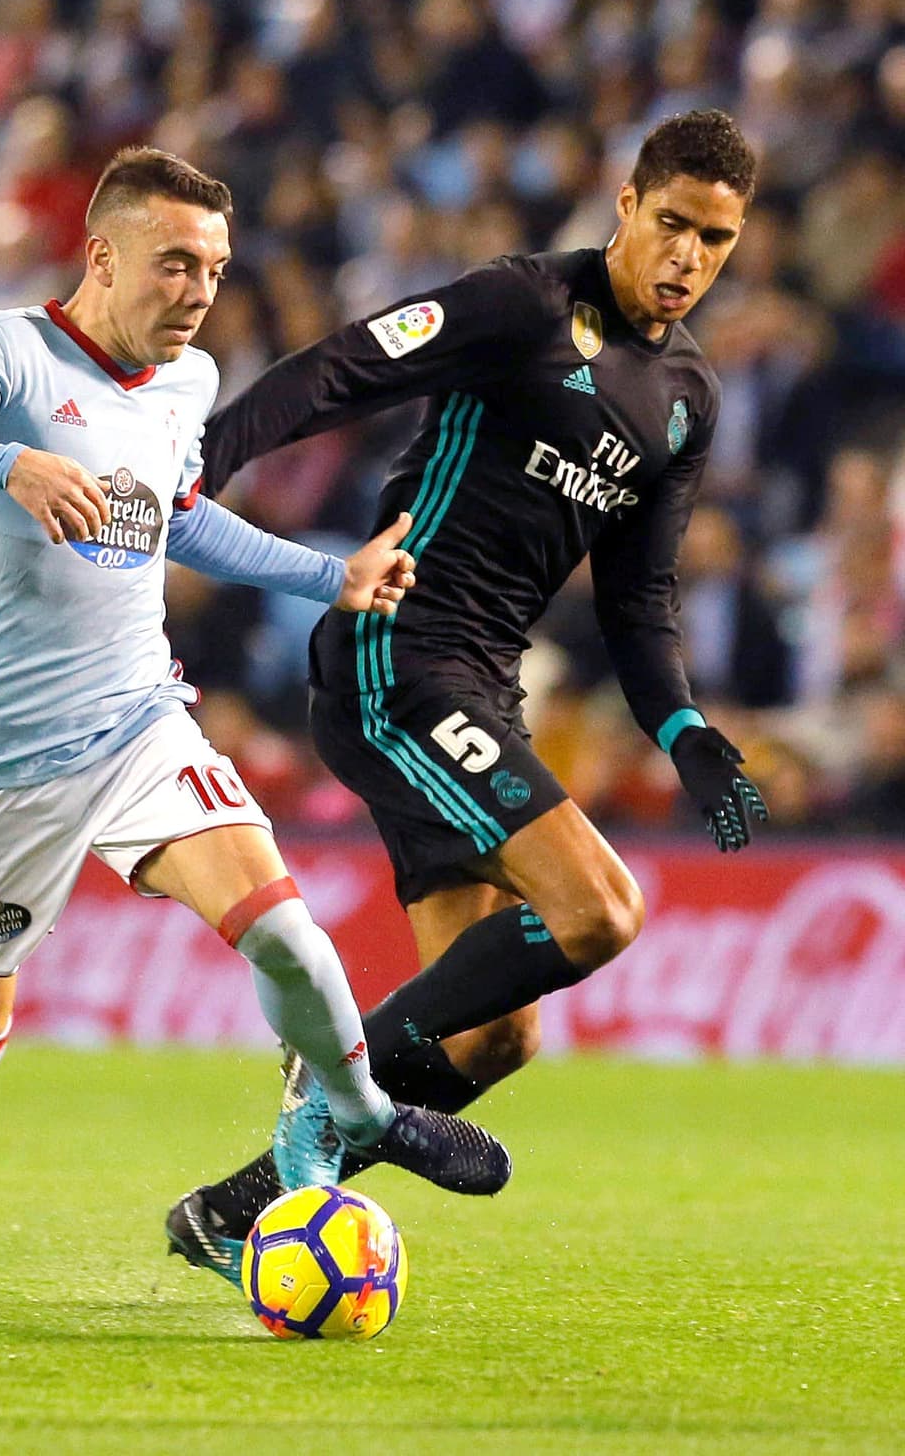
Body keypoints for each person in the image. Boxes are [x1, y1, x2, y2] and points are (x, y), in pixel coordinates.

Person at [0, 148, 512, 1320]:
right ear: (101, 256)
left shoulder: (186, 380)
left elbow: (181, 519)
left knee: (287, 930)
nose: (200, 288)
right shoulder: (0, 349)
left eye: (213, 265)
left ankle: (358, 1113)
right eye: (174, 263)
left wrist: (330, 578)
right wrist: (5, 463)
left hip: (134, 723)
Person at [167, 110, 770, 1280]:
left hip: (479, 685)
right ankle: (323, 1105)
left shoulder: (686, 395)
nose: (688, 256)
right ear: (625, 207)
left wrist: (688, 731)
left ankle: (232, 1208)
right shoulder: (522, 304)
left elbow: (637, 606)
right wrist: (210, 451)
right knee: (597, 909)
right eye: (673, 224)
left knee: (496, 1031)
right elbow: (347, 362)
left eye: (717, 238)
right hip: (397, 648)